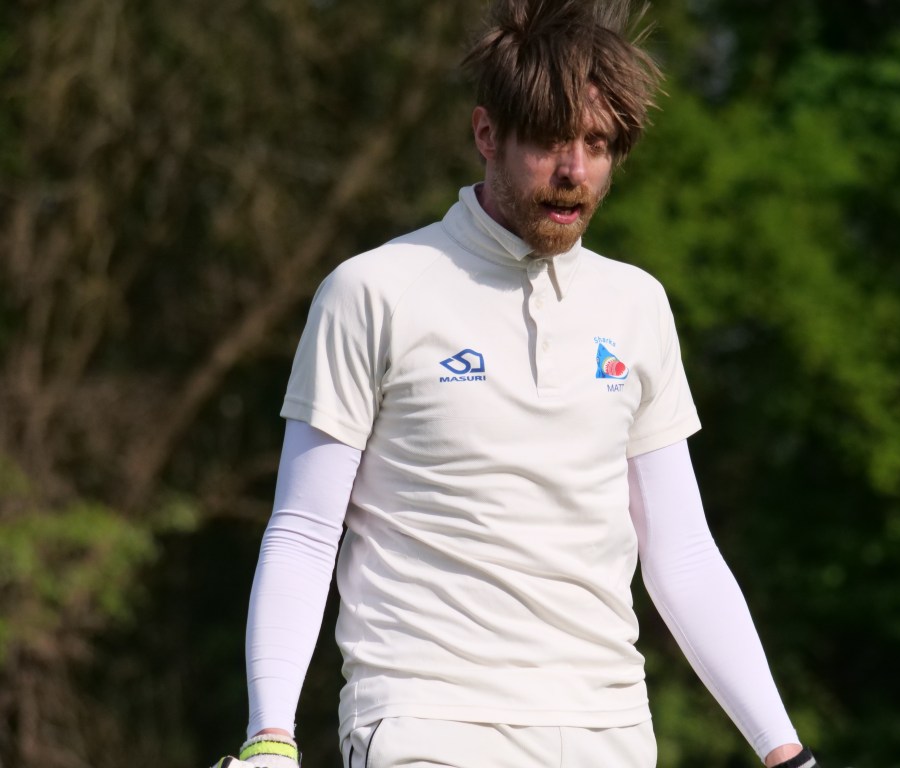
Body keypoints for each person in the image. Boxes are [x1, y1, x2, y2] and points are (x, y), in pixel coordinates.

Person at [212, 1, 821, 766]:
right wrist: (271, 735)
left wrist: (784, 751)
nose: (574, 172)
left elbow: (683, 553)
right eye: (549, 140)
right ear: (486, 134)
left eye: (597, 144)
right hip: (427, 725)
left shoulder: (636, 305)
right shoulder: (372, 292)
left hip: (608, 732)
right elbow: (304, 531)